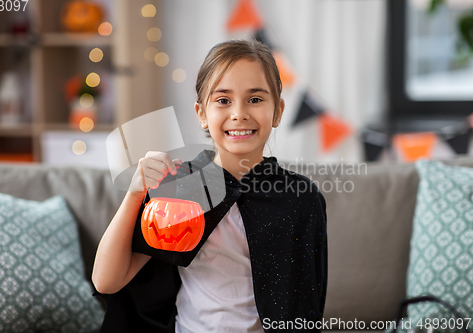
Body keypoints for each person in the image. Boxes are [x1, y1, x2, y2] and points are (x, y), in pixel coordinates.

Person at [92, 39, 327, 333]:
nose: (239, 113)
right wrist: (136, 193)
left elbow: (307, 303)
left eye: (255, 99)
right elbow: (107, 280)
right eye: (223, 100)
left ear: (277, 111)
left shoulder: (300, 198)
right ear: (202, 113)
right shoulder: (181, 187)